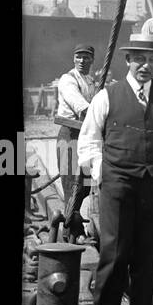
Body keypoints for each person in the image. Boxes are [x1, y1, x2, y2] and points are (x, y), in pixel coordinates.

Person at [77, 35, 153, 305]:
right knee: (114, 257)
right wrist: (101, 171)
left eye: (152, 60)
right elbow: (88, 141)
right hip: (117, 186)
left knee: (147, 261)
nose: (145, 65)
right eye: (139, 59)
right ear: (128, 60)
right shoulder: (107, 96)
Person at [54, 44, 97, 233]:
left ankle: (74, 220)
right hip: (69, 134)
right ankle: (69, 230)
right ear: (73, 59)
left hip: (85, 136)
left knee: (85, 185)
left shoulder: (91, 81)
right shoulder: (67, 80)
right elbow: (80, 105)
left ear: (92, 60)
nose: (82, 61)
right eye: (79, 57)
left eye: (86, 57)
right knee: (71, 183)